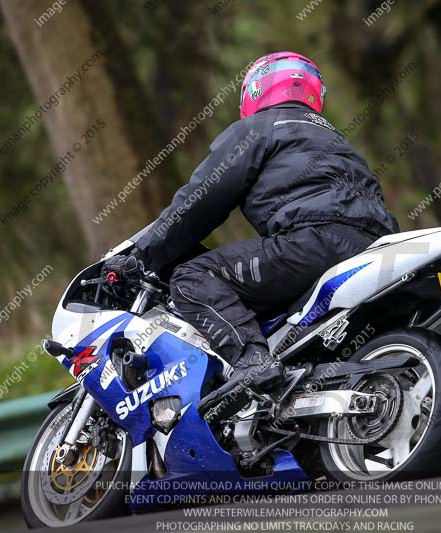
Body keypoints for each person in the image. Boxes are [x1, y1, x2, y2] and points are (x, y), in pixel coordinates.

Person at [130, 51, 398, 419]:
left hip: (311, 244)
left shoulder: (259, 128)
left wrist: (140, 254)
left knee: (194, 276)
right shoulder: (337, 139)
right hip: (372, 248)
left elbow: (198, 203)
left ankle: (252, 361)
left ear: (257, 89)